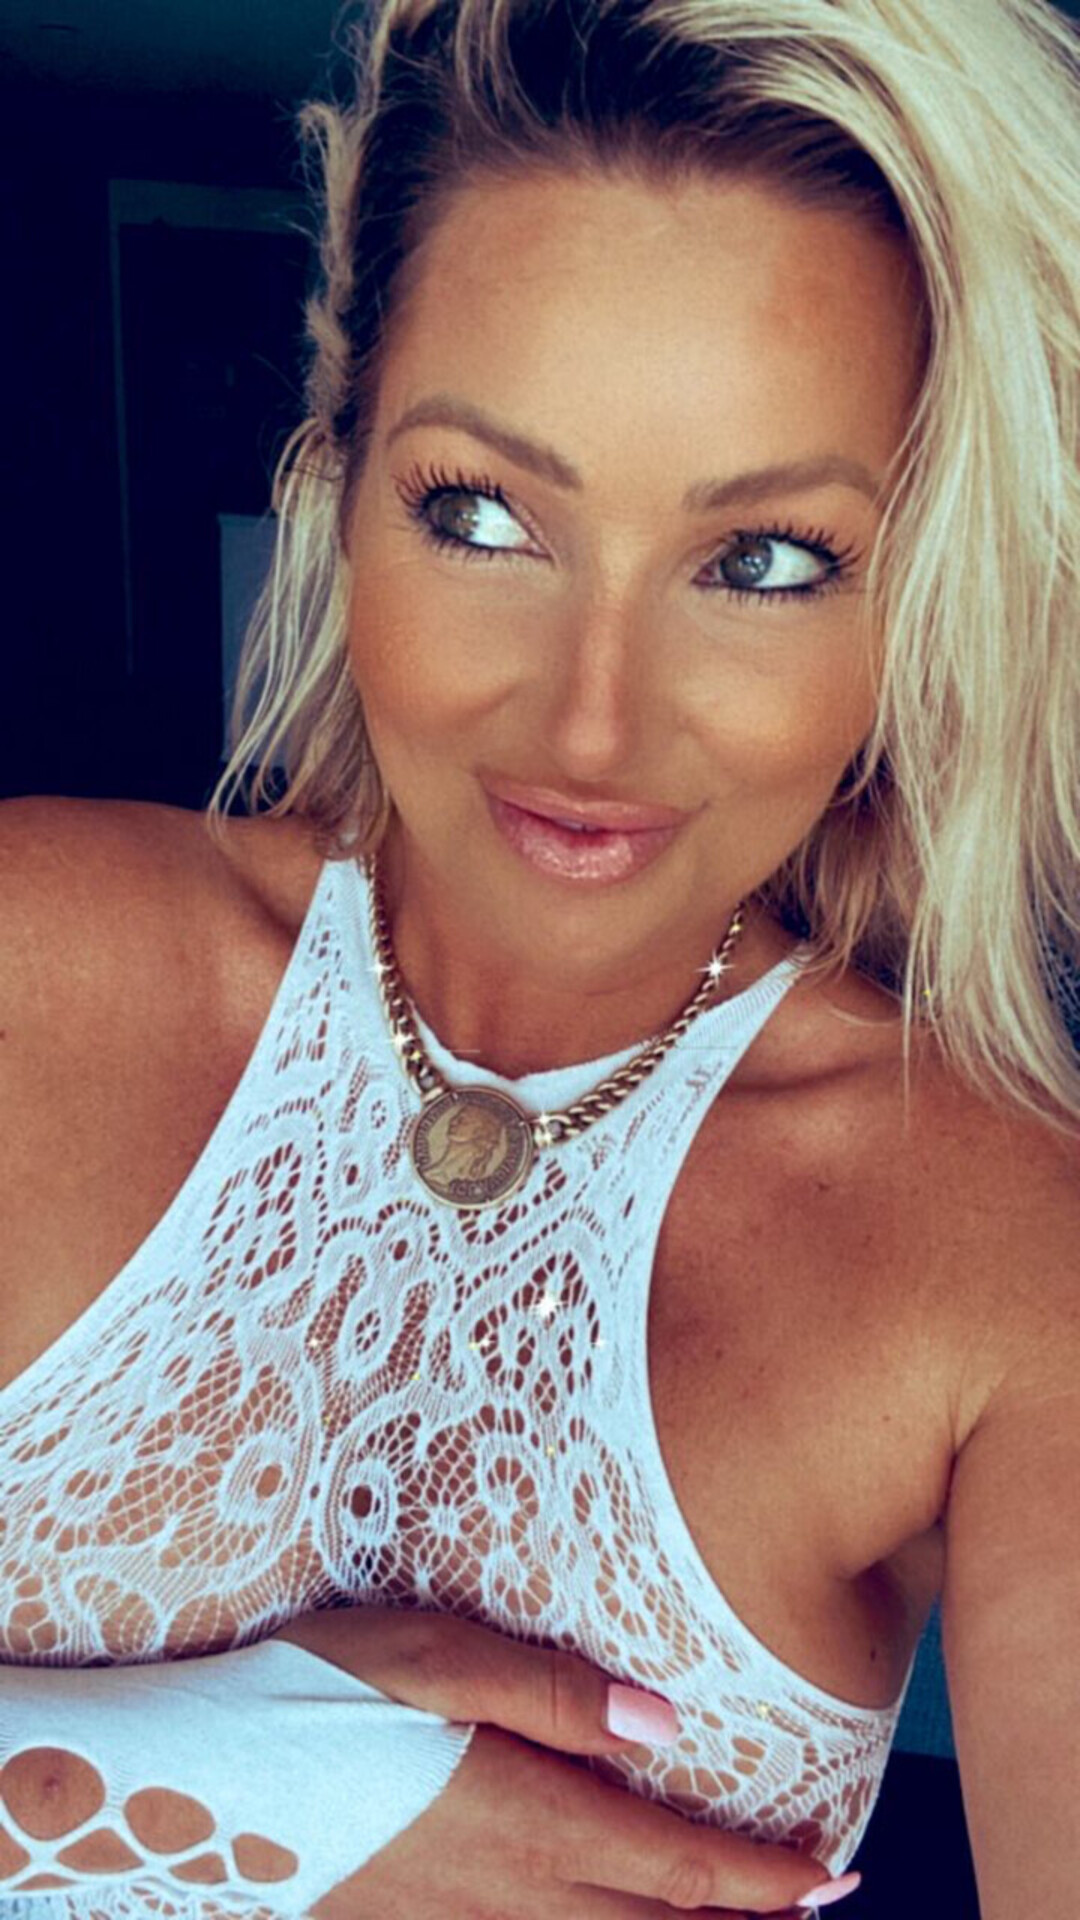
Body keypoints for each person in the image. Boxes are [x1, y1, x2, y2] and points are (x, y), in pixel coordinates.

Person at [1, 0, 1079, 1914]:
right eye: (485, 515)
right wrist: (240, 1801)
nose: (593, 720)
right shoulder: (33, 959)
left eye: (765, 560)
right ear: (339, 472)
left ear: (922, 588)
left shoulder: (999, 1247)